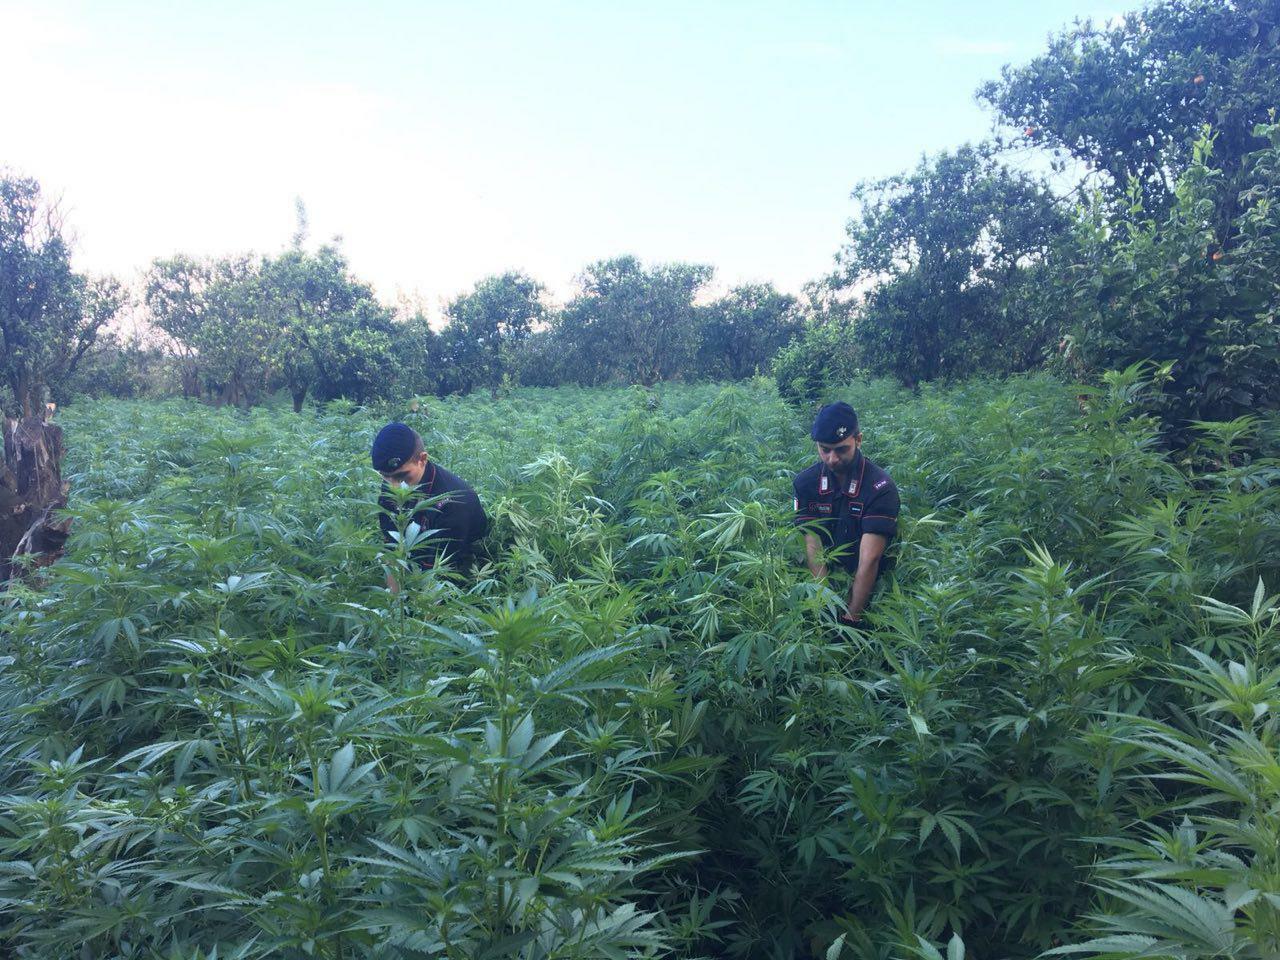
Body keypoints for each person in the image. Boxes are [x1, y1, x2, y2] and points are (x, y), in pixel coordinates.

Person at [792, 402, 900, 624]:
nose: (832, 459)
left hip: (872, 589)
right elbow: (813, 545)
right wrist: (825, 608)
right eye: (825, 449)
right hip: (821, 581)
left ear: (858, 440)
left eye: (841, 449)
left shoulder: (880, 487)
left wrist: (851, 616)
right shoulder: (806, 483)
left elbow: (870, 559)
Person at [371, 422, 487, 589]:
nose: (395, 487)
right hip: (416, 562)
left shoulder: (455, 502)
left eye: (403, 477)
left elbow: (440, 575)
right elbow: (392, 550)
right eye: (385, 477)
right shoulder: (393, 481)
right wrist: (394, 601)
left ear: (423, 459)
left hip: (458, 574)